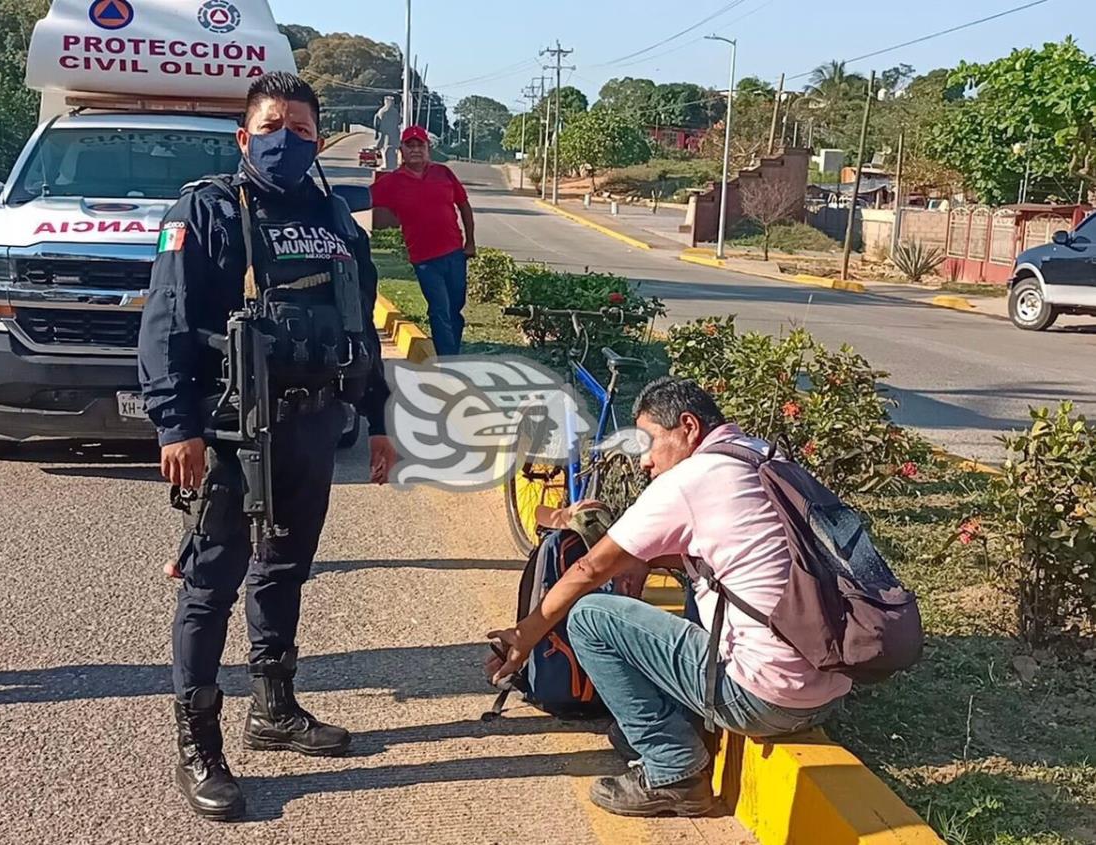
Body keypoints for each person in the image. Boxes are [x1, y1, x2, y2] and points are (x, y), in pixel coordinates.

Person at [137, 71, 396, 822]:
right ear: (245, 136)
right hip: (229, 429)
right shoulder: (210, 208)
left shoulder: (338, 219)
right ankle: (199, 740)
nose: (289, 139)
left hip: (315, 425)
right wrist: (175, 425)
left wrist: (376, 418)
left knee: (285, 566)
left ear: (321, 142)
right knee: (211, 580)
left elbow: (363, 328)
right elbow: (167, 323)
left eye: (304, 130)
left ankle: (273, 707)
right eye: (274, 125)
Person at [487, 378, 850, 818]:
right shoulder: (762, 455)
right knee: (703, 578)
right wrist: (647, 559)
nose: (644, 461)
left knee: (589, 617)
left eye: (650, 442)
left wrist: (525, 636)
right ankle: (679, 722)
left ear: (688, 428)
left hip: (763, 700)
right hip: (826, 691)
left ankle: (671, 770)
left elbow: (588, 569)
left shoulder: (690, 480)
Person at [371, 125, 476, 356]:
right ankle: (448, 361)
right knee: (439, 309)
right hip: (424, 259)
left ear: (428, 148)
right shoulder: (392, 182)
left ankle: (451, 353)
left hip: (454, 253)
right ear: (402, 150)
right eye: (410, 145)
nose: (416, 150)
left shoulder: (444, 173)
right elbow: (365, 198)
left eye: (421, 145)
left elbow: (464, 205)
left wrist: (470, 242)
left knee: (455, 309)